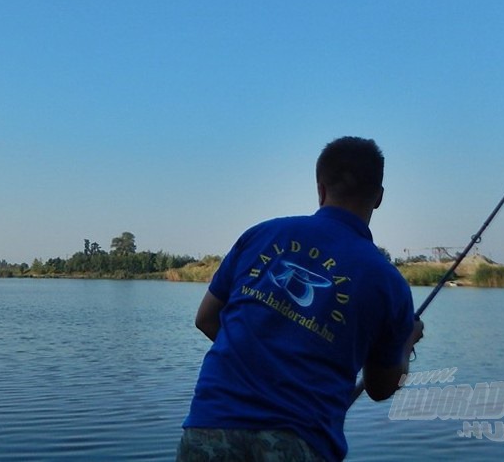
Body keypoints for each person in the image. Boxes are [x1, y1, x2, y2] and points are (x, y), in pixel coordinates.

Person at [178, 137, 424, 462]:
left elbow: (206, 319)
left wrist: (263, 362)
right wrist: (407, 342)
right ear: (378, 197)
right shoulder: (388, 283)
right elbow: (381, 388)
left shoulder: (261, 235)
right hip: (301, 443)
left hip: (210, 428)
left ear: (320, 188)